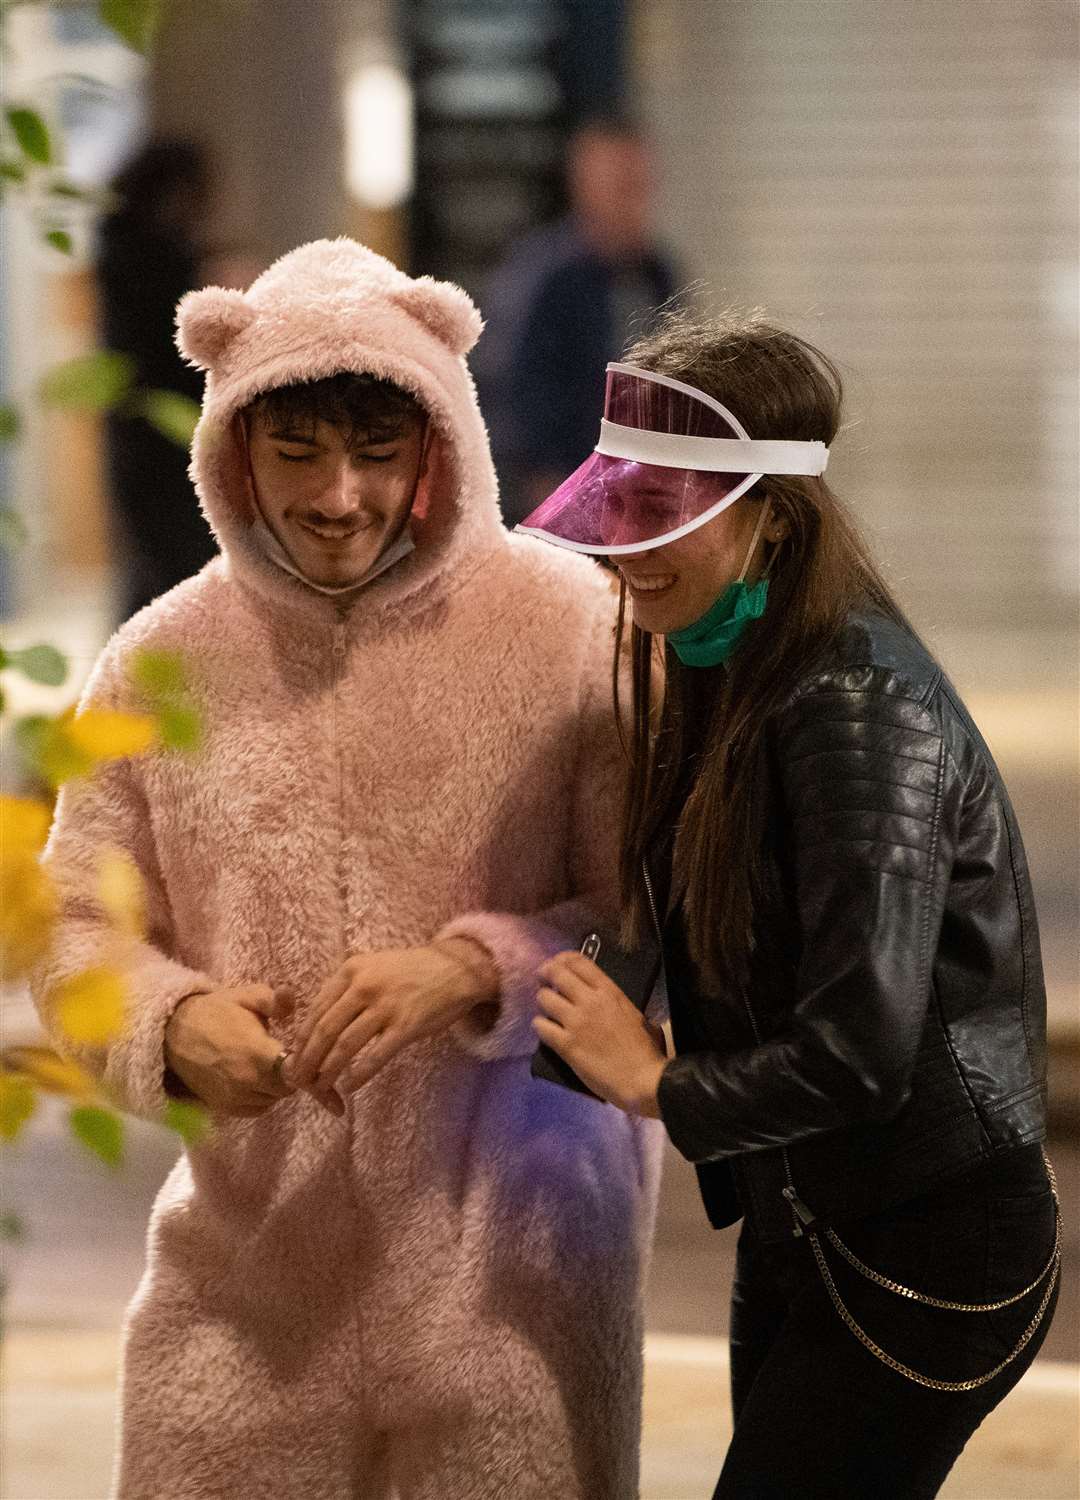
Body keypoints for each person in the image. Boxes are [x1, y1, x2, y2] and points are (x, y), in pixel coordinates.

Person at [35, 238, 662, 1500]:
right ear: (231, 448)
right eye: (296, 454)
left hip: (517, 1288)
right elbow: (67, 927)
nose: (338, 498)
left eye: (379, 454)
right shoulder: (160, 660)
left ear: (441, 445)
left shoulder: (572, 630)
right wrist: (168, 1022)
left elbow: (650, 924)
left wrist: (475, 970)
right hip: (246, 1293)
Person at [520, 313, 1060, 1498]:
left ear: (770, 515)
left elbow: (861, 1055)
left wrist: (655, 1082)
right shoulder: (726, 662)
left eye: (672, 512)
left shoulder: (855, 710)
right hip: (806, 1218)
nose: (627, 547)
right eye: (622, 504)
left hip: (930, 1244)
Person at [476, 117, 678, 527]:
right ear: (583, 186)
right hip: (560, 496)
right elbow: (510, 388)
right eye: (617, 184)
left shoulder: (658, 276)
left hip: (638, 493)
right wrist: (545, 489)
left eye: (635, 183)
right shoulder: (543, 278)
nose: (629, 197)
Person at [97, 138, 220, 621]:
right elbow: (175, 344)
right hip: (165, 430)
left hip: (133, 431)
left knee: (152, 567)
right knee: (173, 564)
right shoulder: (156, 255)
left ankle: (127, 674)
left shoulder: (118, 243)